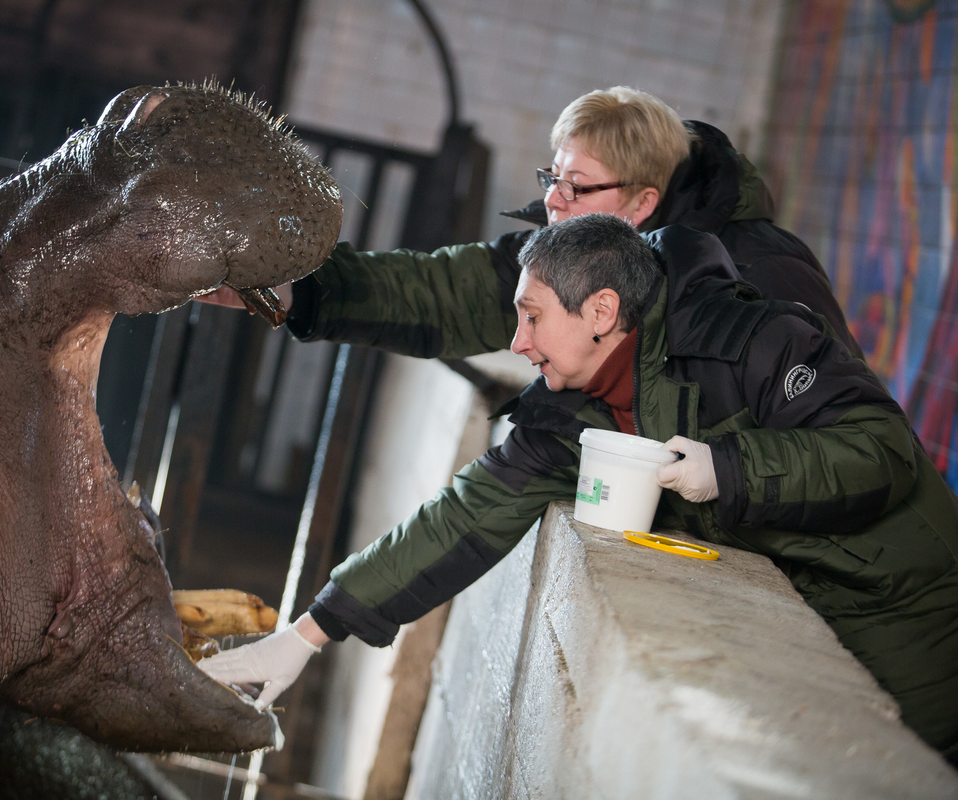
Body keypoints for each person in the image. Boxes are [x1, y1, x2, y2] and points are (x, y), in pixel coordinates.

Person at [200, 214, 958, 763]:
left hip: (912, 602)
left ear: (601, 311)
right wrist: (309, 633)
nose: (517, 342)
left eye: (531, 317)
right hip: (813, 630)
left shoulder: (747, 340)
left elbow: (881, 451)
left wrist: (729, 469)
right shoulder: (573, 413)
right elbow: (462, 517)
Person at [203, 85, 861, 358]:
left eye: (578, 186)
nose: (554, 202)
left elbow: (836, 424)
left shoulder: (760, 272)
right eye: (553, 178)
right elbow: (439, 292)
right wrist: (287, 287)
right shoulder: (567, 259)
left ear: (642, 203)